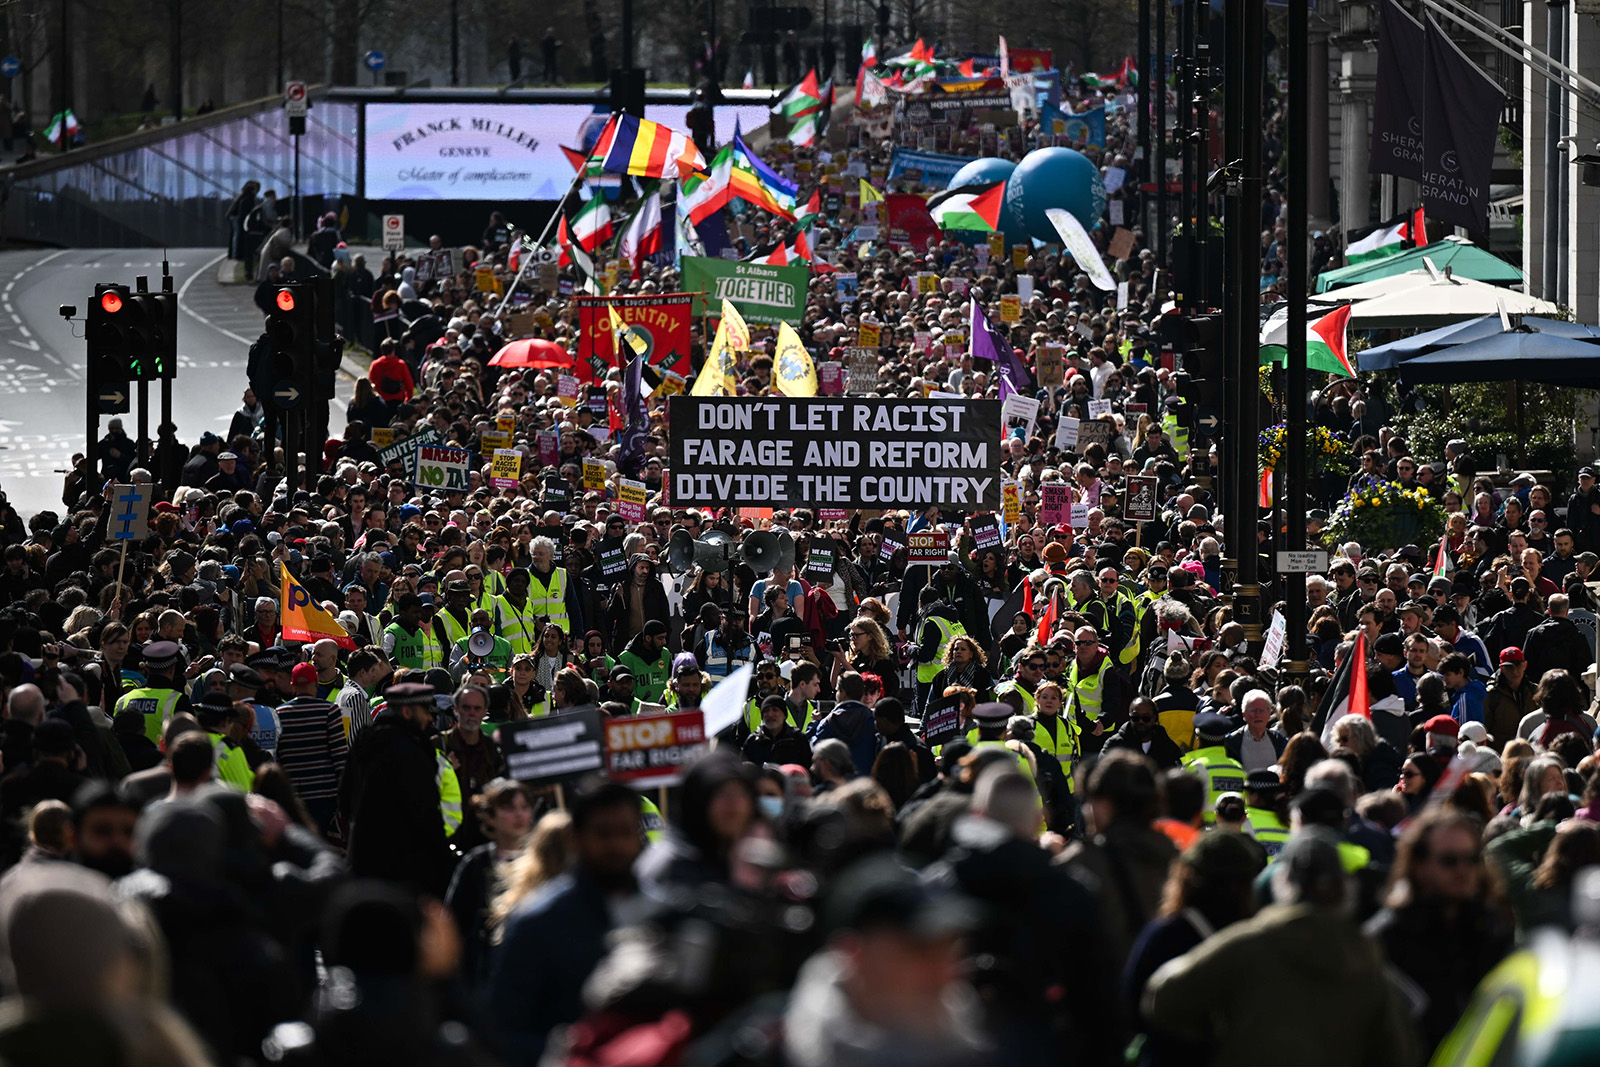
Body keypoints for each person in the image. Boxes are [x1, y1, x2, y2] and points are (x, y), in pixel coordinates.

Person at [1143, 829, 1418, 1066]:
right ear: (1346, 888)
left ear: (1281, 881)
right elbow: (1398, 1055)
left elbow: (1162, 998)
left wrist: (1218, 1038)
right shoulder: (1367, 960)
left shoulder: (1248, 944)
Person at [1364, 810, 1513, 1052]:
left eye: (1472, 859)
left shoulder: (1492, 930)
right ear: (1420, 866)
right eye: (1449, 860)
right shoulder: (1385, 940)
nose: (1463, 870)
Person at [337, 682, 450, 896]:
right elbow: (426, 815)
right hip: (405, 871)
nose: (430, 718)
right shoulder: (413, 753)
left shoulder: (365, 743)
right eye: (426, 711)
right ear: (408, 712)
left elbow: (344, 798)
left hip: (364, 860)